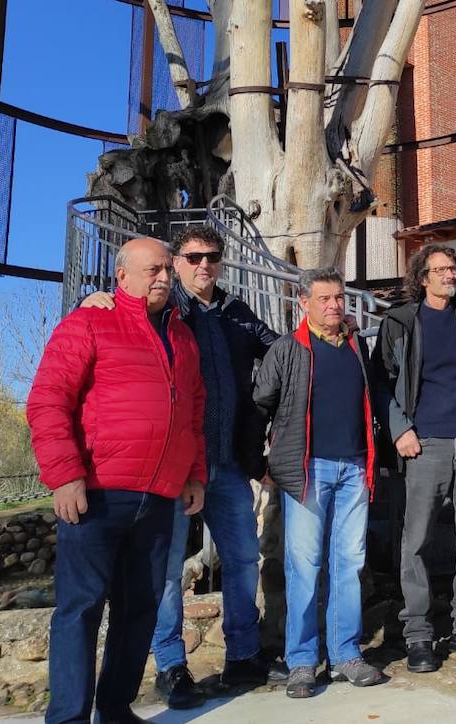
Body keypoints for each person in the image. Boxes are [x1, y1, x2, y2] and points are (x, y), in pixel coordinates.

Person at [79, 225, 284, 707]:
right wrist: (94, 299)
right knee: (165, 571)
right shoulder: (163, 312)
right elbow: (118, 319)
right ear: (176, 264)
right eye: (192, 258)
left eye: (211, 256)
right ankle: (171, 667)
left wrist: (327, 327)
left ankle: (242, 655)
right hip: (173, 468)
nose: (203, 265)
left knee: (241, 560)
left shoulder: (236, 312)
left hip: (227, 465)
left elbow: (279, 349)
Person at [27, 237, 207, 724]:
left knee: (140, 609)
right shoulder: (89, 321)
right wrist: (65, 476)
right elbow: (47, 401)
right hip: (98, 494)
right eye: (153, 270)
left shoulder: (183, 336)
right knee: (80, 609)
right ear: (121, 275)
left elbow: (192, 410)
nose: (164, 277)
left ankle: (114, 706)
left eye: (168, 269)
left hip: (161, 496)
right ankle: (67, 716)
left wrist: (194, 474)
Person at [373, 243, 456, 673]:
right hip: (422, 446)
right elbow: (379, 382)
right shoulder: (399, 322)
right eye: (441, 269)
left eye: (454, 268)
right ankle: (418, 634)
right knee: (415, 543)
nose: (451, 274)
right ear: (422, 277)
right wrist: (400, 430)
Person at [253, 267, 386, 698]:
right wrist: (262, 459)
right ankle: (303, 661)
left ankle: (346, 653)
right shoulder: (288, 349)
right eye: (324, 299)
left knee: (349, 564)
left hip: (353, 469)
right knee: (304, 567)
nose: (333, 306)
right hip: (308, 471)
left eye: (338, 299)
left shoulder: (356, 347)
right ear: (304, 303)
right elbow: (261, 404)